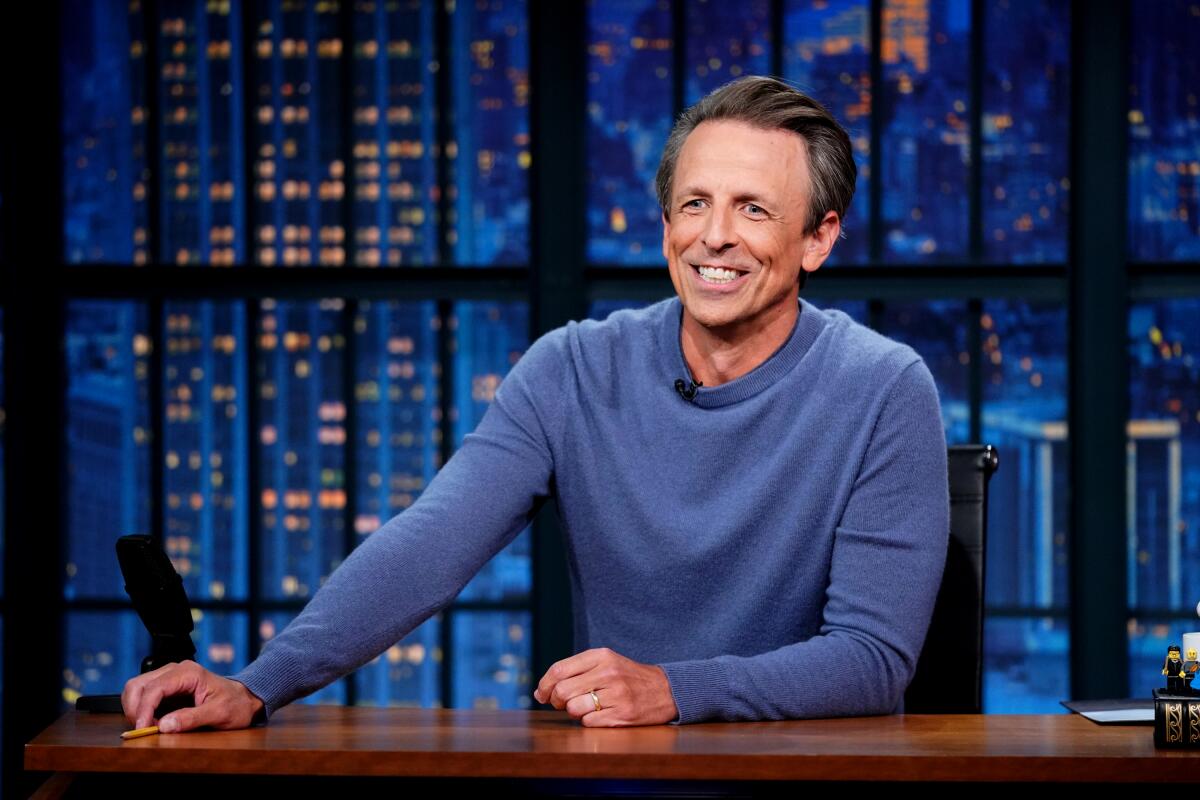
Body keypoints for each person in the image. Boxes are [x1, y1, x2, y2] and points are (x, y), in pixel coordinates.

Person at [121, 75, 950, 733]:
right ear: (665, 223)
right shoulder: (573, 368)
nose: (715, 236)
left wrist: (674, 688)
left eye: (754, 209)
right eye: (695, 203)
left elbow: (872, 659)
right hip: (621, 776)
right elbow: (430, 546)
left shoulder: (883, 387)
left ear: (818, 238)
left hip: (814, 788)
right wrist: (257, 685)